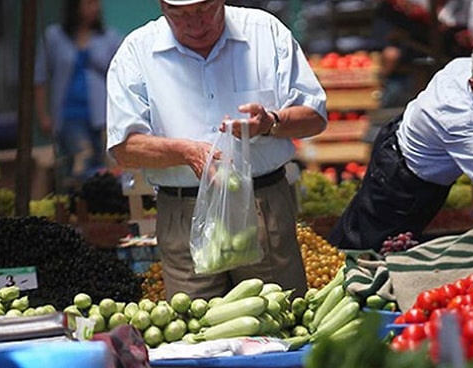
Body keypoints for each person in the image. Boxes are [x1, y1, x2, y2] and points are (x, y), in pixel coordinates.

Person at [106, 0, 327, 301]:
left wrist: (271, 123)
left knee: (283, 317)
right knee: (198, 331)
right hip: (184, 214)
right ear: (161, 6)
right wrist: (186, 152)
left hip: (263, 206)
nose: (195, 24)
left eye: (204, 10)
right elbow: (124, 149)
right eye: (179, 14)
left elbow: (314, 116)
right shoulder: (137, 51)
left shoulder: (264, 32)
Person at [327, 31, 473, 252]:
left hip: (408, 150)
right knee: (370, 246)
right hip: (402, 179)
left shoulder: (469, 66)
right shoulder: (456, 117)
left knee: (372, 228)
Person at [35, 0, 122, 194]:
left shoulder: (109, 37)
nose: (94, 8)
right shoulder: (54, 36)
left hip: (103, 117)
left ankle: (98, 215)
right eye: (89, 3)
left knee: (105, 171)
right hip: (69, 115)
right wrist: (43, 115)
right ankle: (78, 213)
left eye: (96, 4)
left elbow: (122, 73)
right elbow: (39, 77)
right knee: (80, 166)